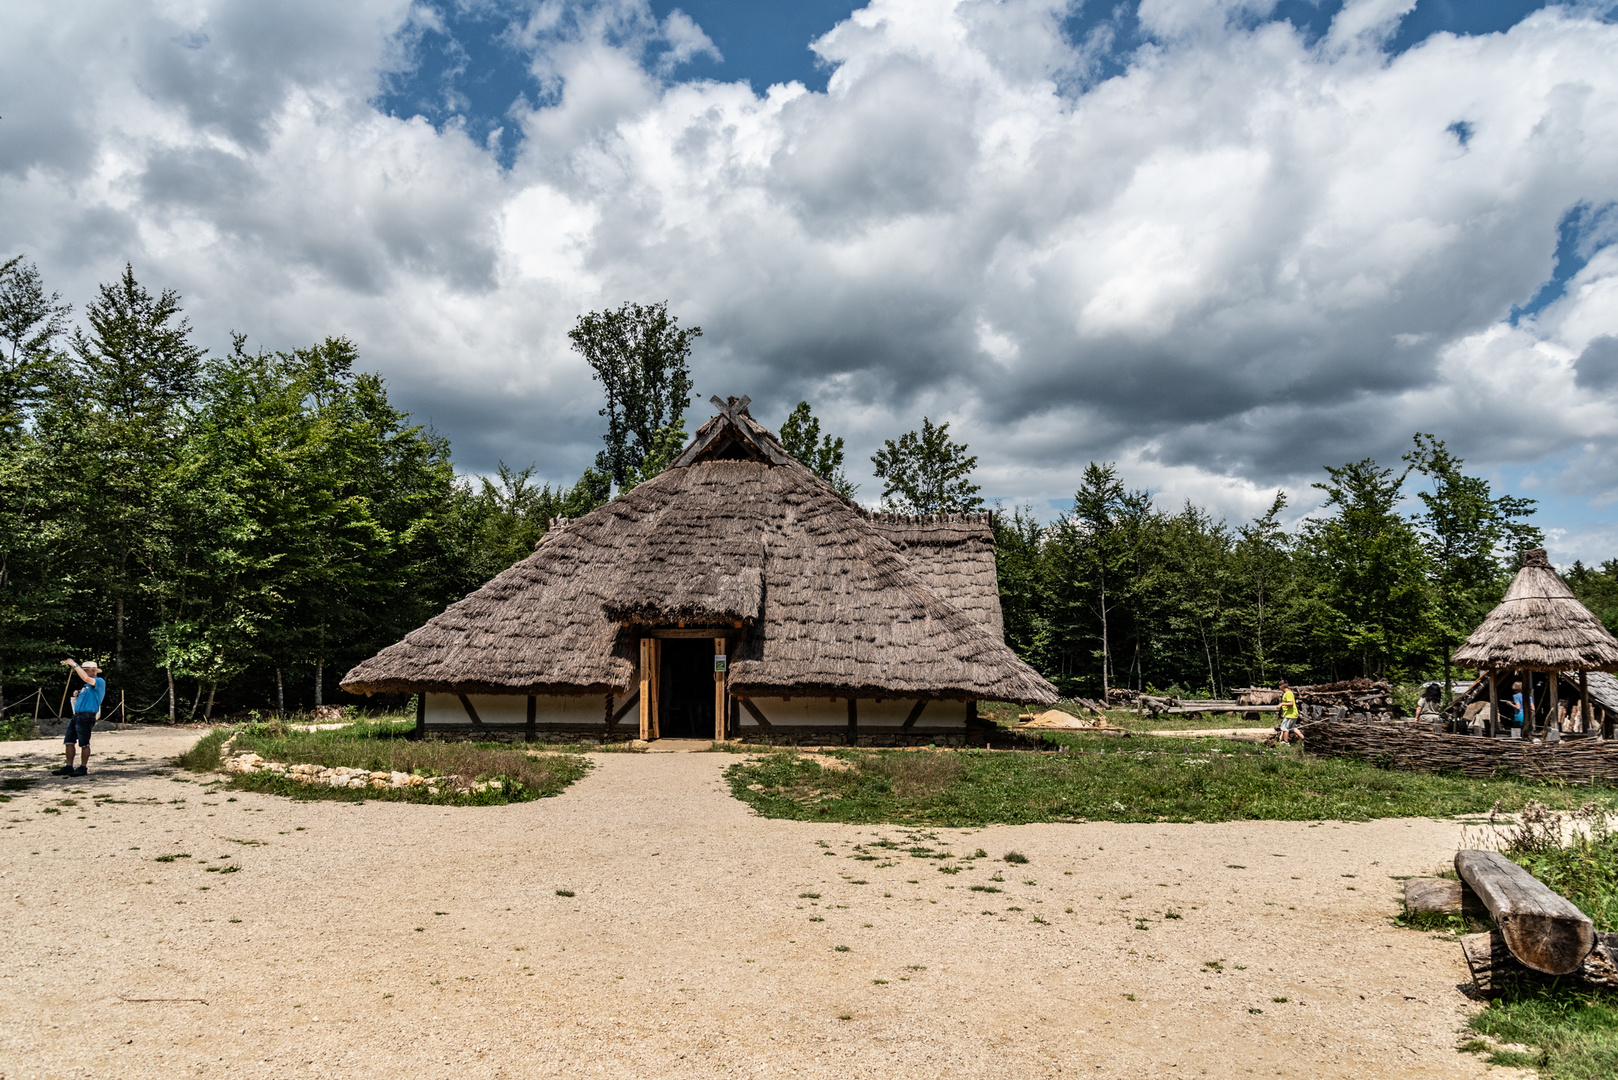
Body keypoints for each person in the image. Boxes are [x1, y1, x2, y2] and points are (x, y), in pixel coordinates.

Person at [55, 659, 104, 777]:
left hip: (87, 716)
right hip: (77, 715)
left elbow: (86, 679)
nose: (84, 672)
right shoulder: (87, 686)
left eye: (86, 670)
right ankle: (69, 766)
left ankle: (83, 767)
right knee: (68, 741)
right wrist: (78, 693)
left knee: (84, 743)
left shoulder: (99, 681)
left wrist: (75, 665)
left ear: (93, 671)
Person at [1277, 679, 1302, 744]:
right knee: (1292, 727)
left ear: (1282, 686)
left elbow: (1291, 703)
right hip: (1293, 714)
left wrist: (1282, 704)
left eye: (1279, 686)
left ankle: (1286, 742)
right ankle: (1303, 738)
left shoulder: (1287, 693)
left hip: (1289, 714)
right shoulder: (1289, 693)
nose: (1279, 688)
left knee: (1284, 728)